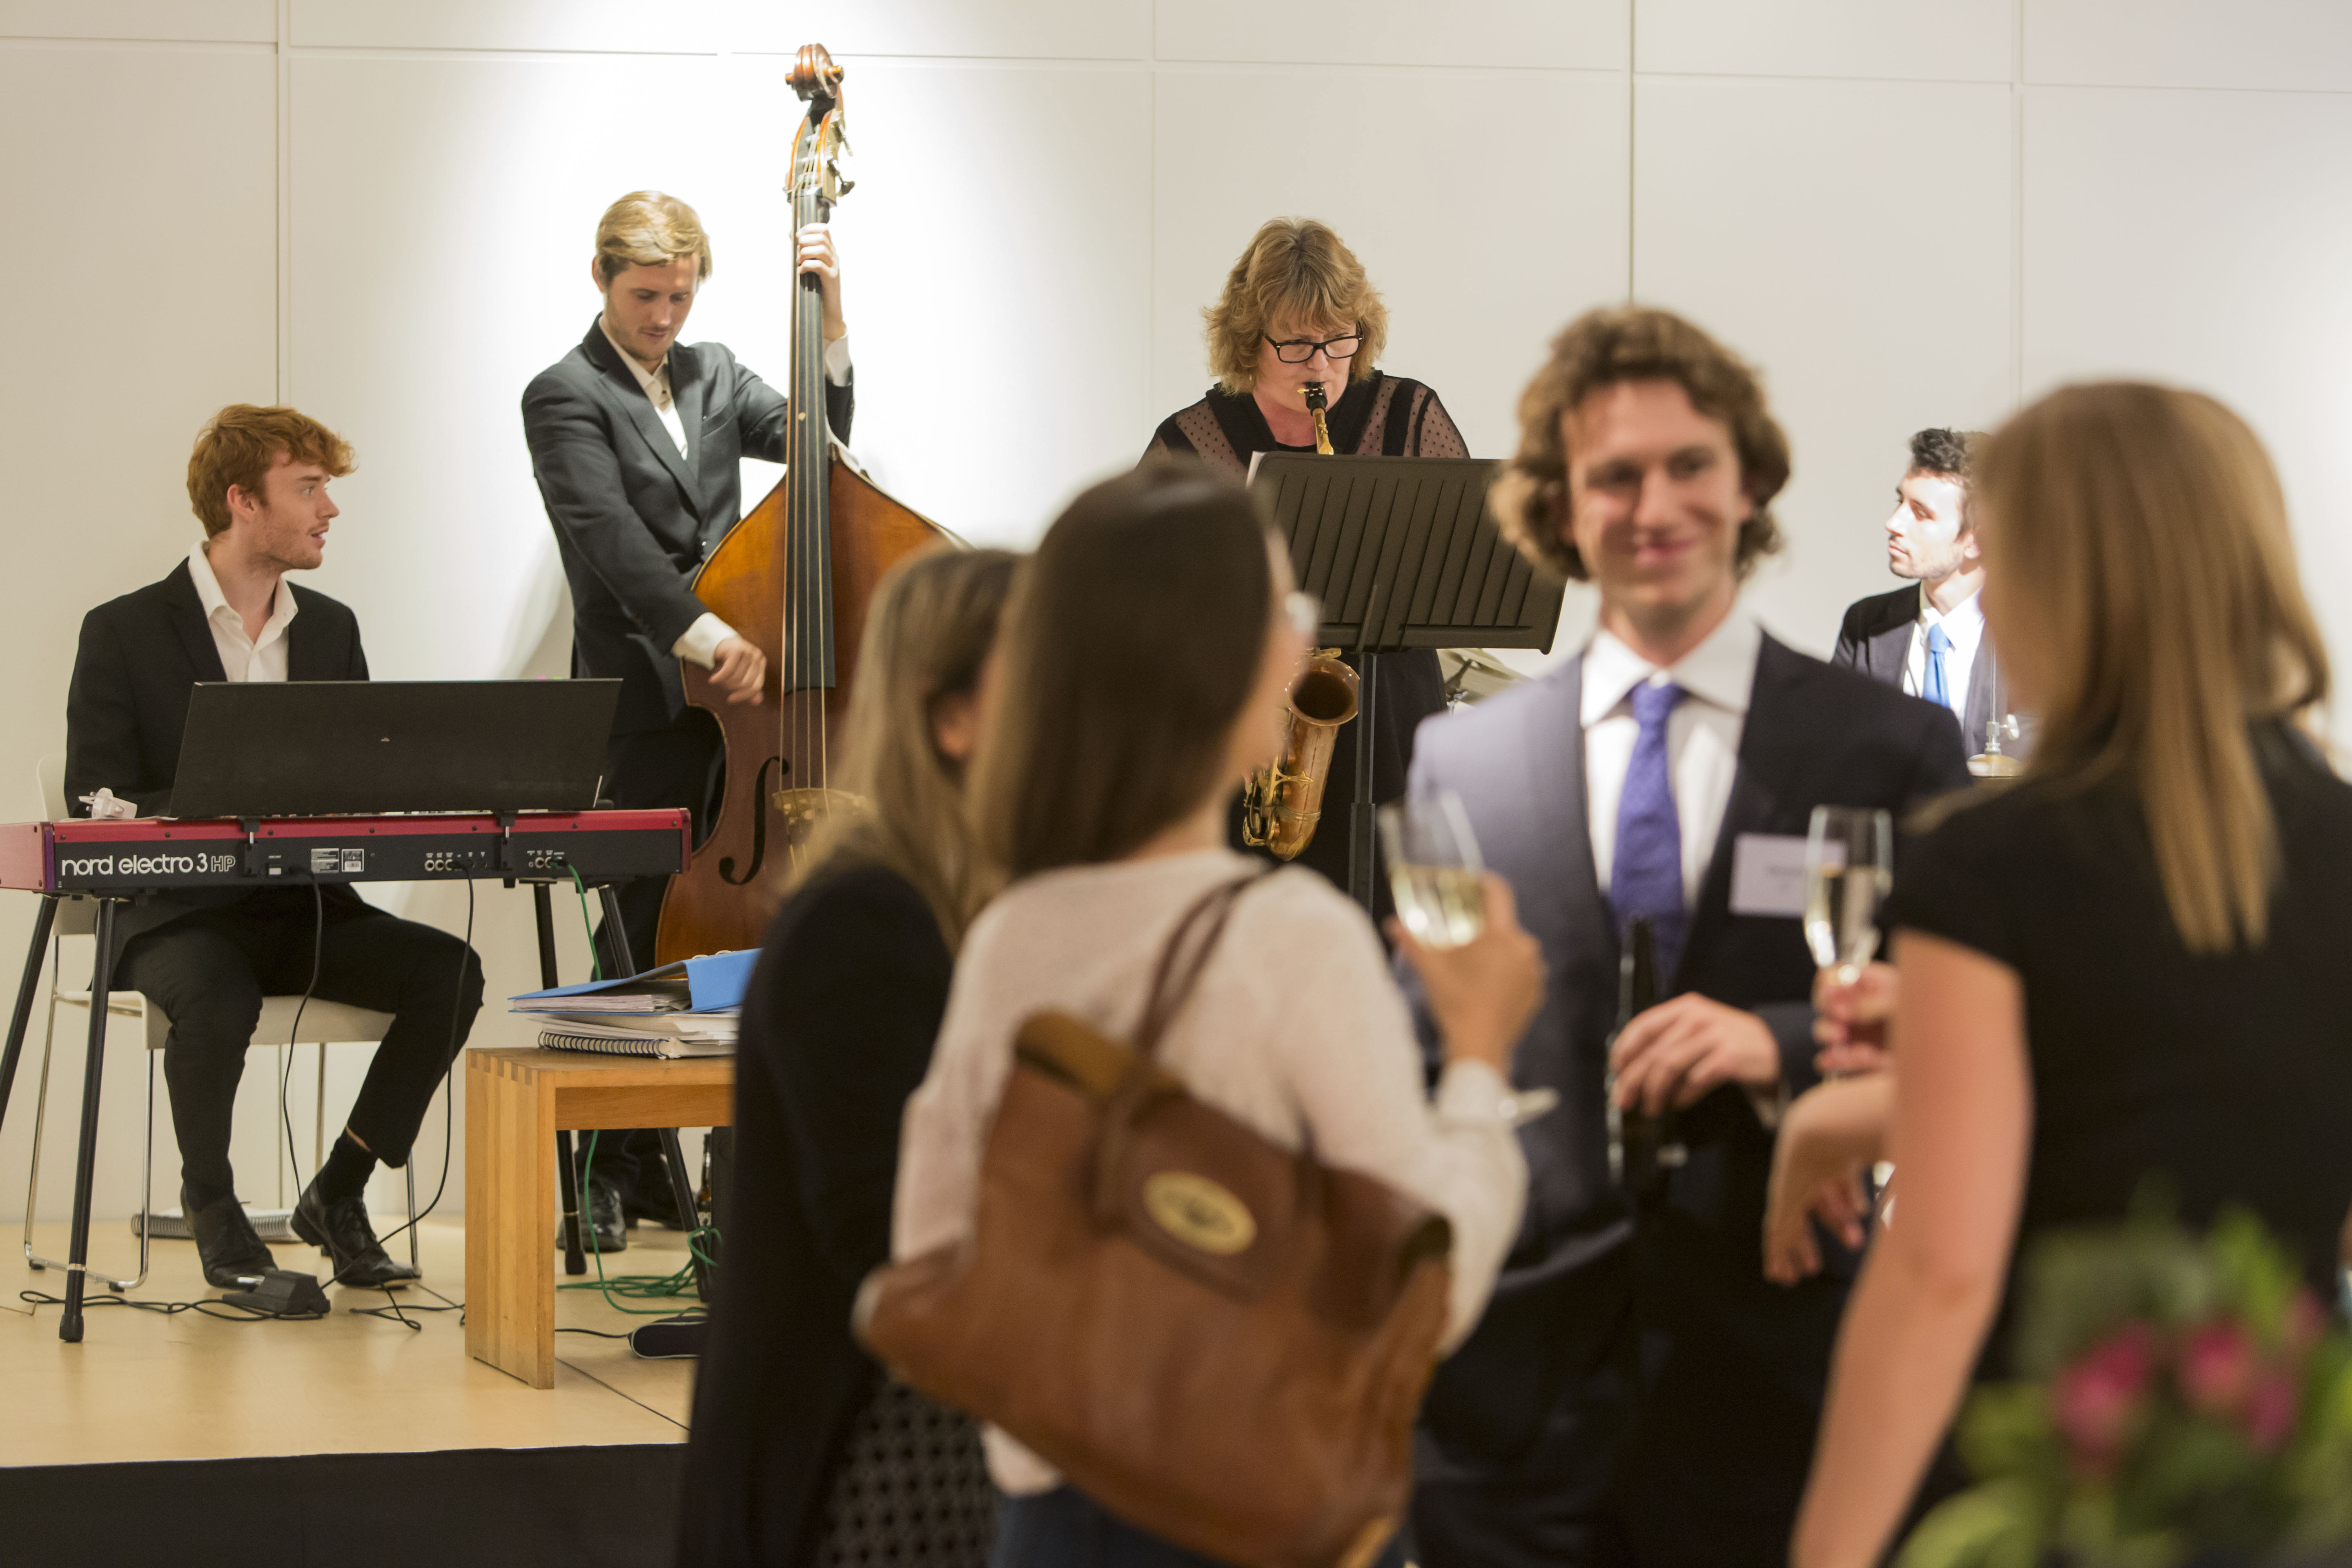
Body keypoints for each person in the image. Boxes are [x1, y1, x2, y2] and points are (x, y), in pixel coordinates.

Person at [1401, 307, 1973, 1568]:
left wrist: (1780, 1044)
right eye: (1613, 473)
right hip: (1509, 1421)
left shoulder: (1884, 748)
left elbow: (1978, 1043)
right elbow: (1427, 1049)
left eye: (1690, 466)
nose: (1654, 502)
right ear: (1559, 503)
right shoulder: (1463, 764)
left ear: (1751, 481)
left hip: (1783, 1391)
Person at [891, 462, 1541, 1567]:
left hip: (1051, 1522)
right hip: (1262, 1521)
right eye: (1288, 612)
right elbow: (1424, 1294)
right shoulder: (1293, 943)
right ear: (1222, 665)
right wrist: (1479, 1063)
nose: (1302, 640)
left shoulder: (1014, 934)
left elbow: (934, 1243)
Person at [1791, 383, 2352, 1568]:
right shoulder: (2338, 837)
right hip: (2282, 1481)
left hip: (2039, 1487)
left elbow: (1941, 1269)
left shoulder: (1994, 859)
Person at [64, 404, 485, 1291]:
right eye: (308, 488)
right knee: (216, 993)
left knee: (450, 972)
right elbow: (93, 799)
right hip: (178, 920)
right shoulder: (124, 630)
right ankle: (211, 1208)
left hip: (303, 912)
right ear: (241, 502)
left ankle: (338, 1190)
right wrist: (226, 805)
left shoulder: (330, 629)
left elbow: (358, 785)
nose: (329, 509)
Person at [522, 189, 855, 1244]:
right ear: (601, 281)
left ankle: (662, 1163)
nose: (663, 316)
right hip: (652, 700)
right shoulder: (563, 395)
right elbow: (611, 544)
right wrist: (713, 639)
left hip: (745, 719)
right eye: (643, 295)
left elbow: (825, 446)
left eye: (677, 295)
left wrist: (830, 318)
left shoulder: (713, 375)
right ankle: (602, 1176)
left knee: (706, 939)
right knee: (632, 934)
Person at [677, 546, 1015, 1568]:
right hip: (865, 1455)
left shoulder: (986, 902)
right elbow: (884, 1228)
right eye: (1050, 689)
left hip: (950, 1427)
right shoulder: (863, 917)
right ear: (951, 719)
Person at [1145, 218, 1466, 911]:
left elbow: (1461, 557)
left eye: (1338, 339)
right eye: (1294, 344)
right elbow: (1149, 620)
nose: (1320, 364)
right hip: (1253, 739)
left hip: (1390, 719)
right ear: (1247, 344)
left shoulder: (1409, 415)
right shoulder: (1189, 445)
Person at [1833, 428, 2022, 759]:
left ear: (1976, 541)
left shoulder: (2033, 638)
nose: (1894, 522)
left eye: (1921, 513)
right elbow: (1838, 752)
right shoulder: (1866, 625)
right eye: (1900, 501)